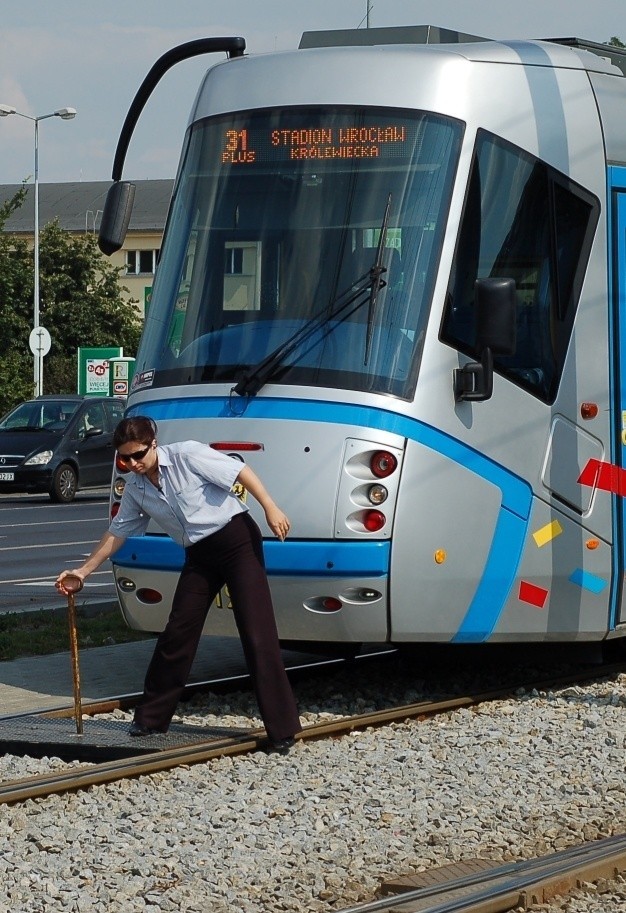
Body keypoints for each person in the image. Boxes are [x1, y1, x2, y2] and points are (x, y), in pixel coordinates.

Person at [56, 416, 301, 754]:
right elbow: (117, 532)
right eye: (124, 459)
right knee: (177, 632)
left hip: (236, 541)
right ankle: (151, 718)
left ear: (153, 443)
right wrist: (83, 571)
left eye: (138, 455)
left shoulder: (187, 455)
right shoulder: (137, 487)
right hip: (200, 555)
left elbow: (239, 473)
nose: (132, 464)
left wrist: (270, 508)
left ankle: (283, 729)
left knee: (257, 633)